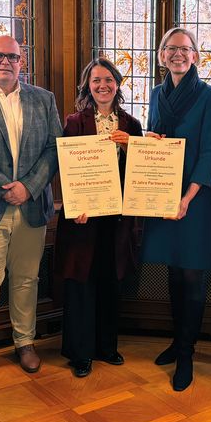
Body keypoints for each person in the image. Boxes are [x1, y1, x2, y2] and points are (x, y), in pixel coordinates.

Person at [0, 34, 62, 385]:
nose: (5, 62)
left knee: (26, 280)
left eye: (12, 57)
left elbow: (53, 149)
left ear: (23, 62)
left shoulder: (43, 99)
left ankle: (25, 343)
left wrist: (28, 187)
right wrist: (5, 187)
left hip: (32, 208)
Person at [141, 27, 211, 391]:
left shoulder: (210, 96)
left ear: (195, 57)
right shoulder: (157, 94)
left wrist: (186, 199)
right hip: (162, 195)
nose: (177, 54)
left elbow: (208, 154)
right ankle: (177, 341)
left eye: (185, 49)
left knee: (192, 275)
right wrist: (150, 140)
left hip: (194, 198)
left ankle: (187, 352)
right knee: (173, 272)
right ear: (162, 55)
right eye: (171, 49)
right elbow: (155, 138)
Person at [55, 58, 143, 378]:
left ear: (117, 84)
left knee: (110, 279)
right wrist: (74, 203)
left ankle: (106, 347)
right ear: (87, 86)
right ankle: (80, 353)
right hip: (84, 217)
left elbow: (140, 171)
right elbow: (66, 168)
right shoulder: (75, 121)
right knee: (82, 282)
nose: (102, 85)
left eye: (108, 79)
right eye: (96, 81)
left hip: (117, 219)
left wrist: (132, 144)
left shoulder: (131, 124)